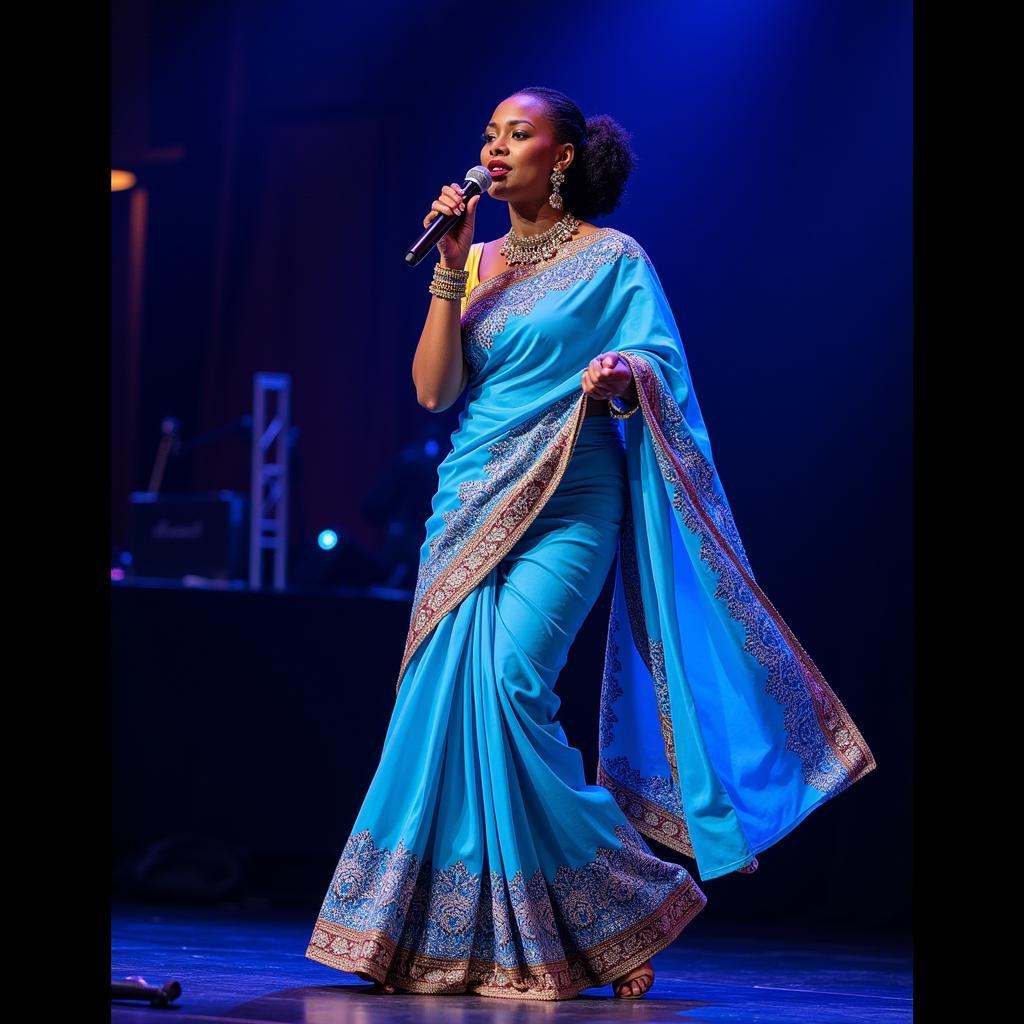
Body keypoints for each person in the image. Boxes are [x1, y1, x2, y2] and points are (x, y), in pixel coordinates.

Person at [304, 86, 877, 1001]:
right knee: (451, 708)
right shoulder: (475, 255)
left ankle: (624, 907)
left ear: (562, 155)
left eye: (517, 134)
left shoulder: (614, 259)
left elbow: (661, 364)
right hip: (471, 501)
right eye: (487, 134)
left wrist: (624, 375)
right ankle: (472, 931)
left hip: (573, 497)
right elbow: (432, 391)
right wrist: (448, 268)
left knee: (510, 687)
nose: (495, 149)